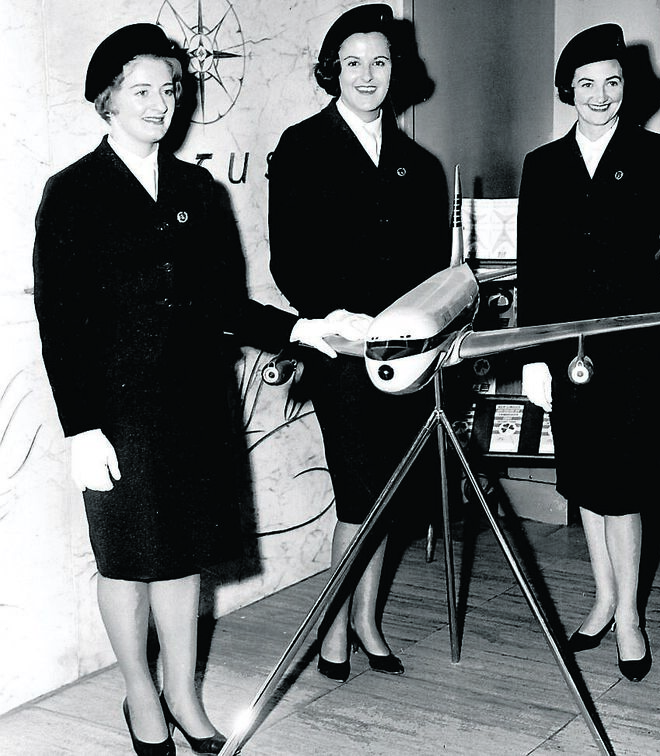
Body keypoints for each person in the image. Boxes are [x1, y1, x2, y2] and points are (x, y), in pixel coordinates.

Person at [33, 23, 363, 756]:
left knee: (180, 557)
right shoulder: (73, 193)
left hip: (193, 402)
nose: (160, 103)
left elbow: (224, 303)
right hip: (116, 411)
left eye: (170, 90)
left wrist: (303, 330)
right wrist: (79, 427)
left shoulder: (195, 188)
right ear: (106, 100)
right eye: (142, 90)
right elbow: (59, 320)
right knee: (127, 558)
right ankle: (141, 695)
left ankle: (183, 690)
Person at [516, 24, 660, 682]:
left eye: (612, 82)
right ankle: (605, 599)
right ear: (568, 91)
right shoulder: (543, 165)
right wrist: (532, 353)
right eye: (587, 83)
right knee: (585, 479)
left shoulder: (658, 157)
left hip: (639, 348)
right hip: (570, 349)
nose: (600, 95)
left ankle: (631, 616)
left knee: (626, 485)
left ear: (626, 90)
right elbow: (536, 268)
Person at [268, 4, 450, 683]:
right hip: (340, 354)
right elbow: (290, 259)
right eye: (353, 62)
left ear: (395, 71)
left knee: (392, 499)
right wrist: (337, 321)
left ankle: (368, 620)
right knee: (358, 496)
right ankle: (333, 629)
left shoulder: (419, 164)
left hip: (405, 357)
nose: (367, 75)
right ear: (332, 70)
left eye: (380, 61)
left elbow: (432, 270)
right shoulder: (303, 146)